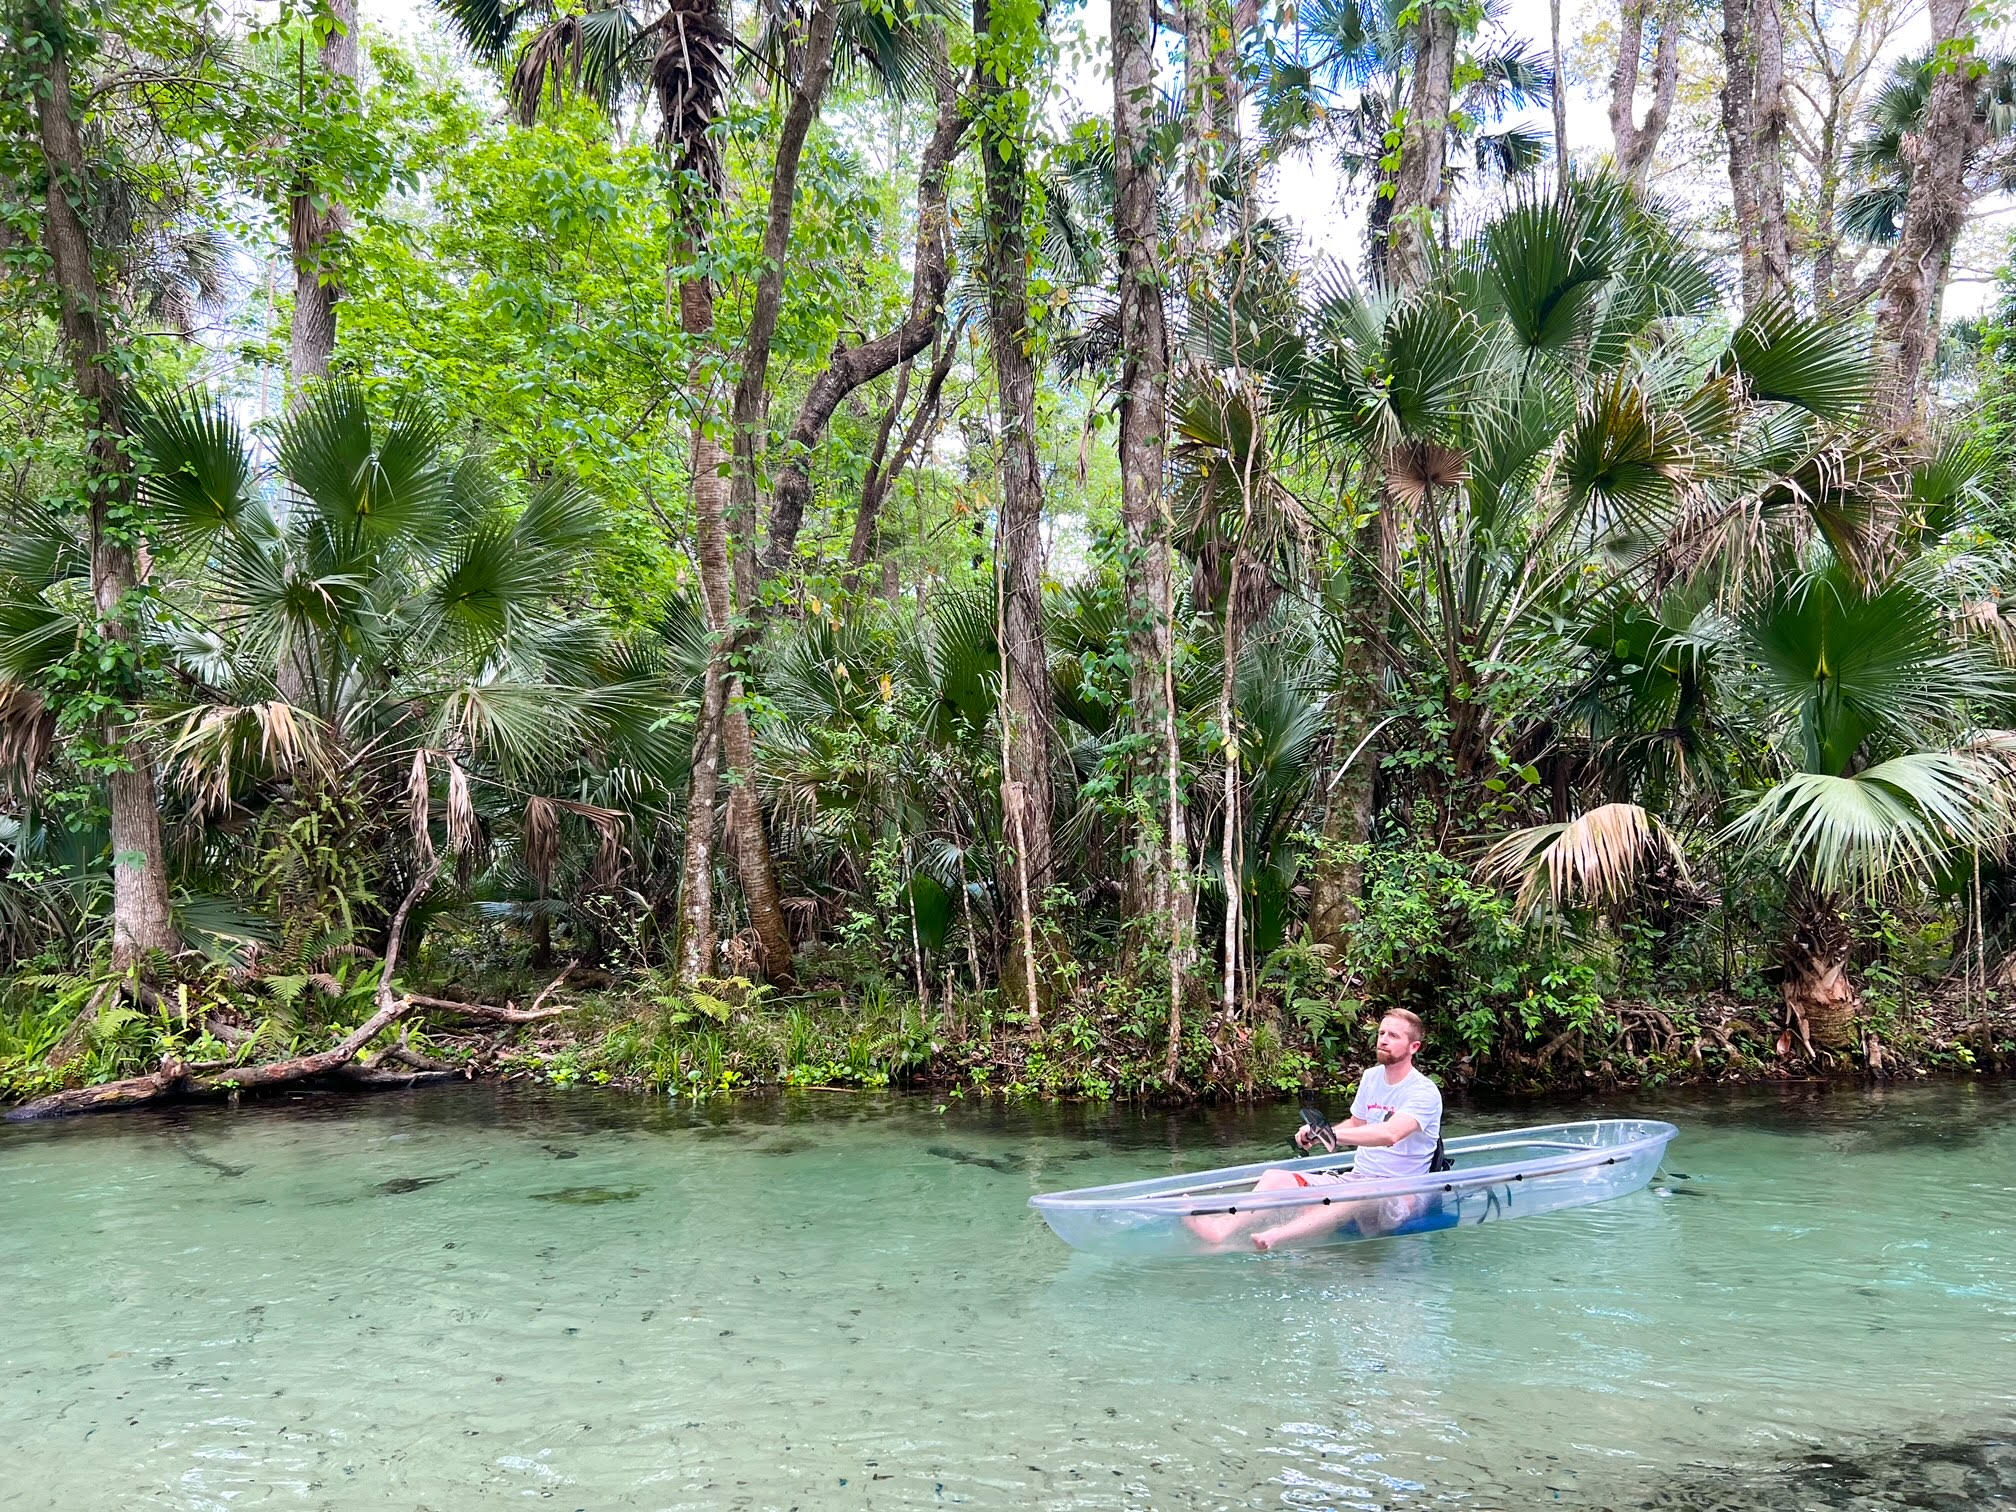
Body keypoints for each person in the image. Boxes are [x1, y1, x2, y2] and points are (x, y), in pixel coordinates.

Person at [1185, 1009, 1444, 1252]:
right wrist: (1318, 1134)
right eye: (1382, 1033)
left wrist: (1328, 1134)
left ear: (1414, 1047)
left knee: (1356, 1193)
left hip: (1402, 1192)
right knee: (1276, 1177)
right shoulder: (1371, 1077)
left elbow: (1390, 1134)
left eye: (1394, 1036)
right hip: (1359, 1177)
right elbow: (1357, 1124)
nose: (1384, 1040)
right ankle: (1221, 1229)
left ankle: (1276, 1236)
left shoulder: (1423, 1091)